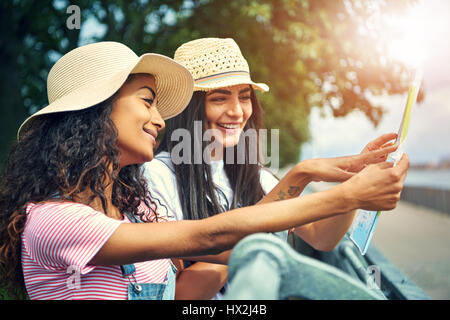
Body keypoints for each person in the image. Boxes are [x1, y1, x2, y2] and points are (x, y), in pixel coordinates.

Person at [0, 41, 408, 301]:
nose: (160, 120)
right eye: (147, 101)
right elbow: (209, 234)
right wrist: (346, 193)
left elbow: (236, 246)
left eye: (244, 97)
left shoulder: (137, 207)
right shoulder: (57, 221)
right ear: (95, 112)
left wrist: (323, 178)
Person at [144, 38, 403, 299]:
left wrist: (355, 181)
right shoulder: (156, 176)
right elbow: (180, 295)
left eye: (245, 98)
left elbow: (322, 239)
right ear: (189, 108)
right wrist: (277, 212)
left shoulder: (253, 175)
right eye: (219, 98)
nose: (237, 111)